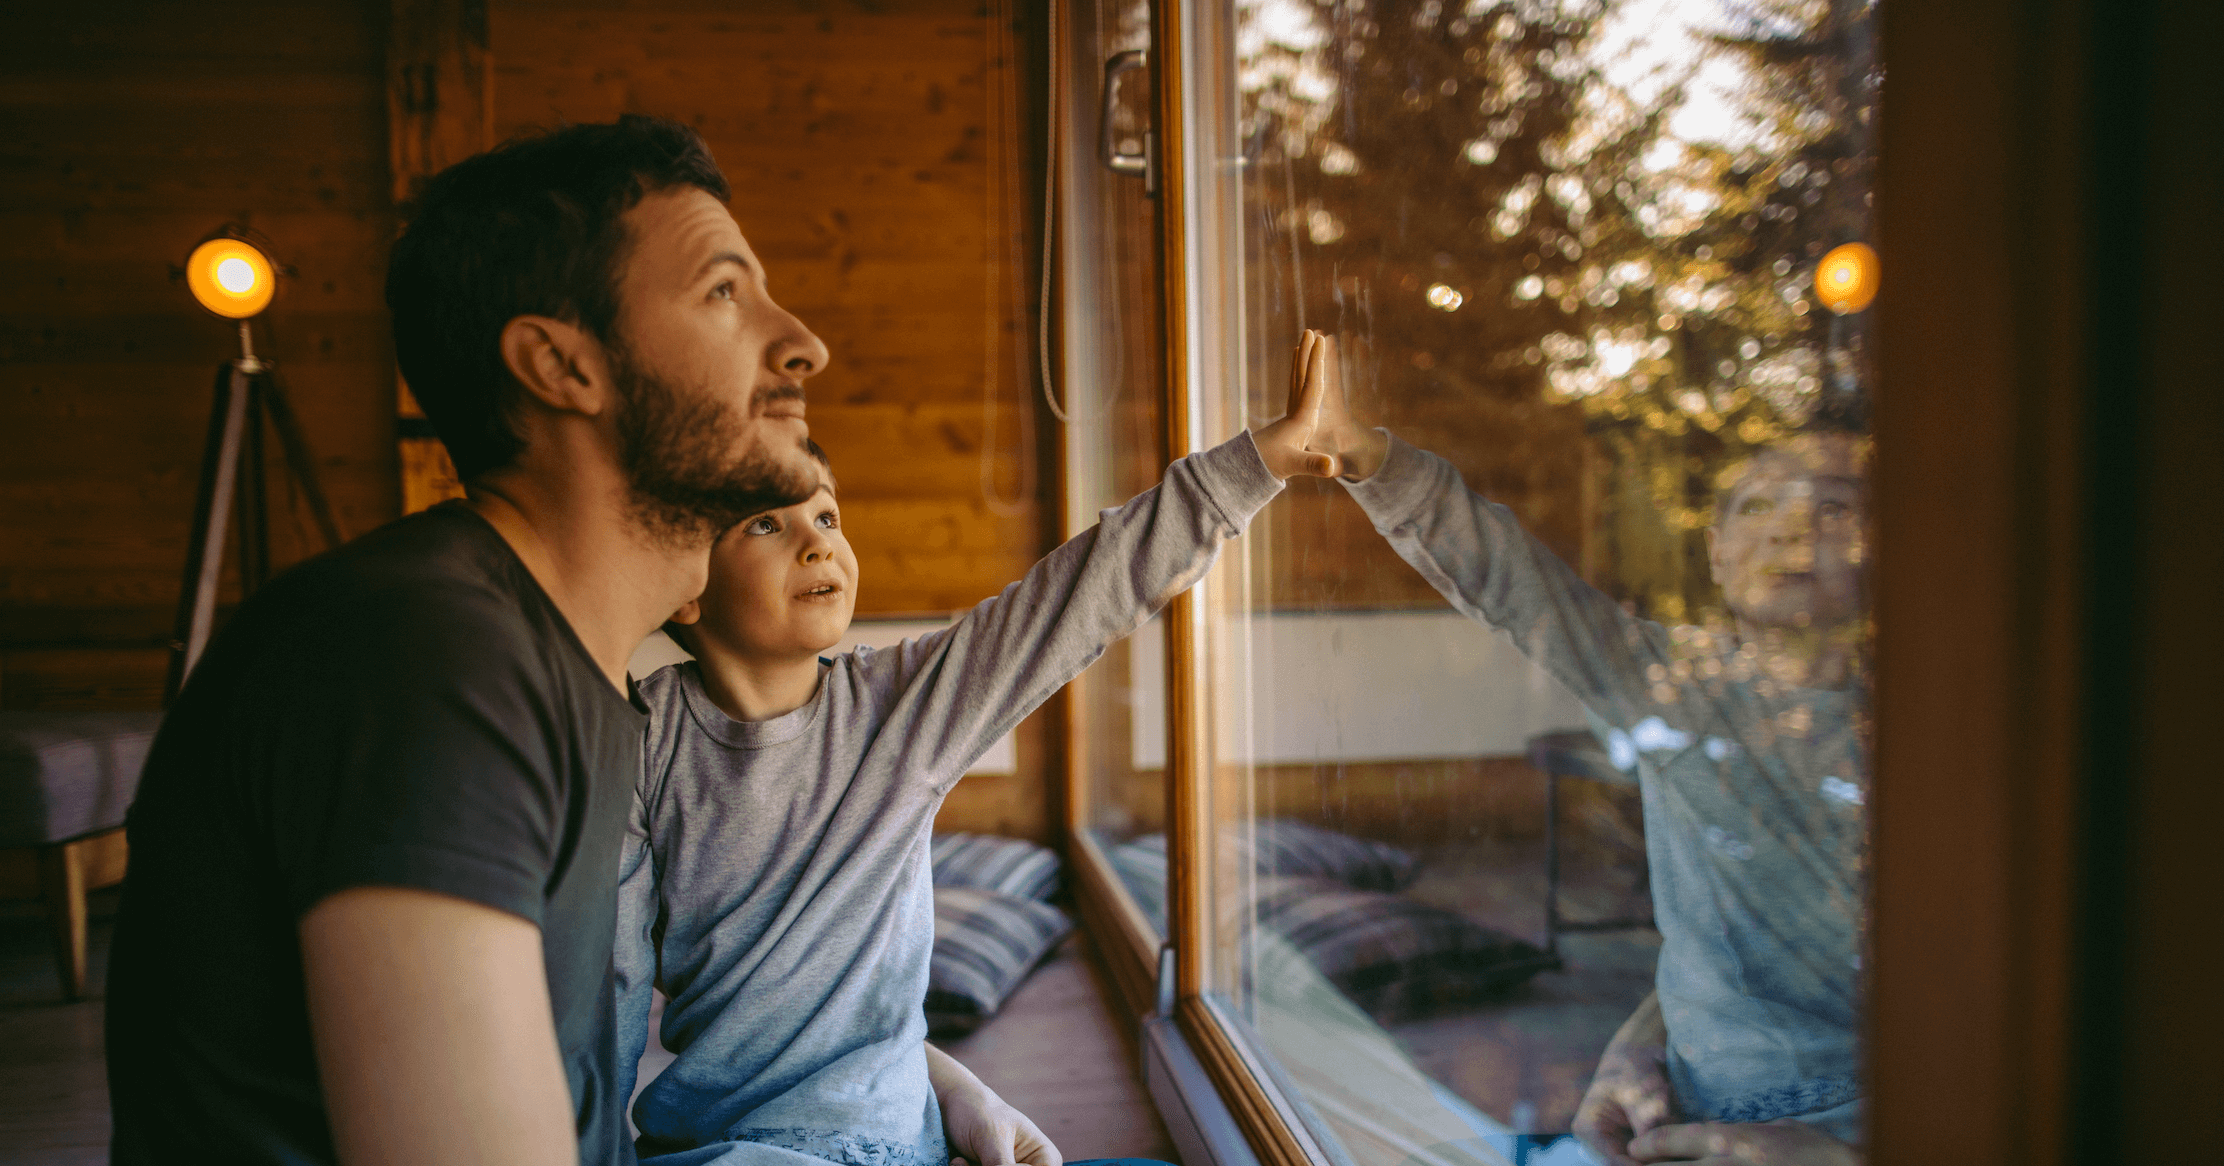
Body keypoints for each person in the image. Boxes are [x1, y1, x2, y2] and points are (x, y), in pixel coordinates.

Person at [105, 116, 828, 1166]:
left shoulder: (574, 672)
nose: (803, 340)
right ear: (558, 365)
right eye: (724, 292)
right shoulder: (422, 659)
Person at [611, 334, 1348, 1165]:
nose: (816, 543)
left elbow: (1080, 594)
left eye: (825, 515)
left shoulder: (902, 707)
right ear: (685, 584)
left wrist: (1261, 463)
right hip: (725, 1151)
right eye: (767, 524)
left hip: (894, 1143)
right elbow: (606, 989)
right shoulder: (640, 743)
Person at [1294, 336, 1868, 1166]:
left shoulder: (1936, 734)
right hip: (1678, 1113)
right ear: (1714, 551)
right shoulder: (1666, 678)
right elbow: (1509, 580)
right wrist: (1367, 458)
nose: (1789, 531)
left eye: (1833, 509)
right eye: (1757, 506)